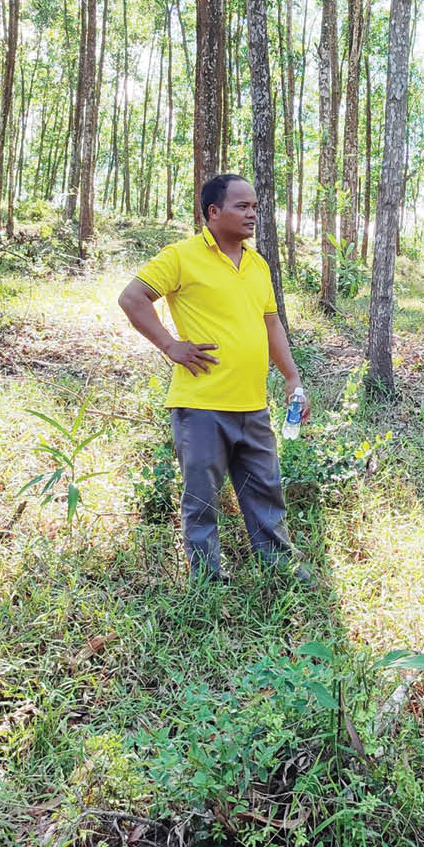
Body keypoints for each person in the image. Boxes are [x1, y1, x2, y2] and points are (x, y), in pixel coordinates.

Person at [118, 174, 312, 583]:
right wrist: (171, 346)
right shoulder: (181, 256)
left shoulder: (257, 264)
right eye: (242, 206)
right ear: (213, 212)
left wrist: (292, 378)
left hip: (252, 404)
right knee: (201, 500)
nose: (253, 214)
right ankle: (206, 582)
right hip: (201, 405)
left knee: (266, 490)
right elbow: (132, 298)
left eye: (256, 207)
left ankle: (278, 569)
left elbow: (272, 325)